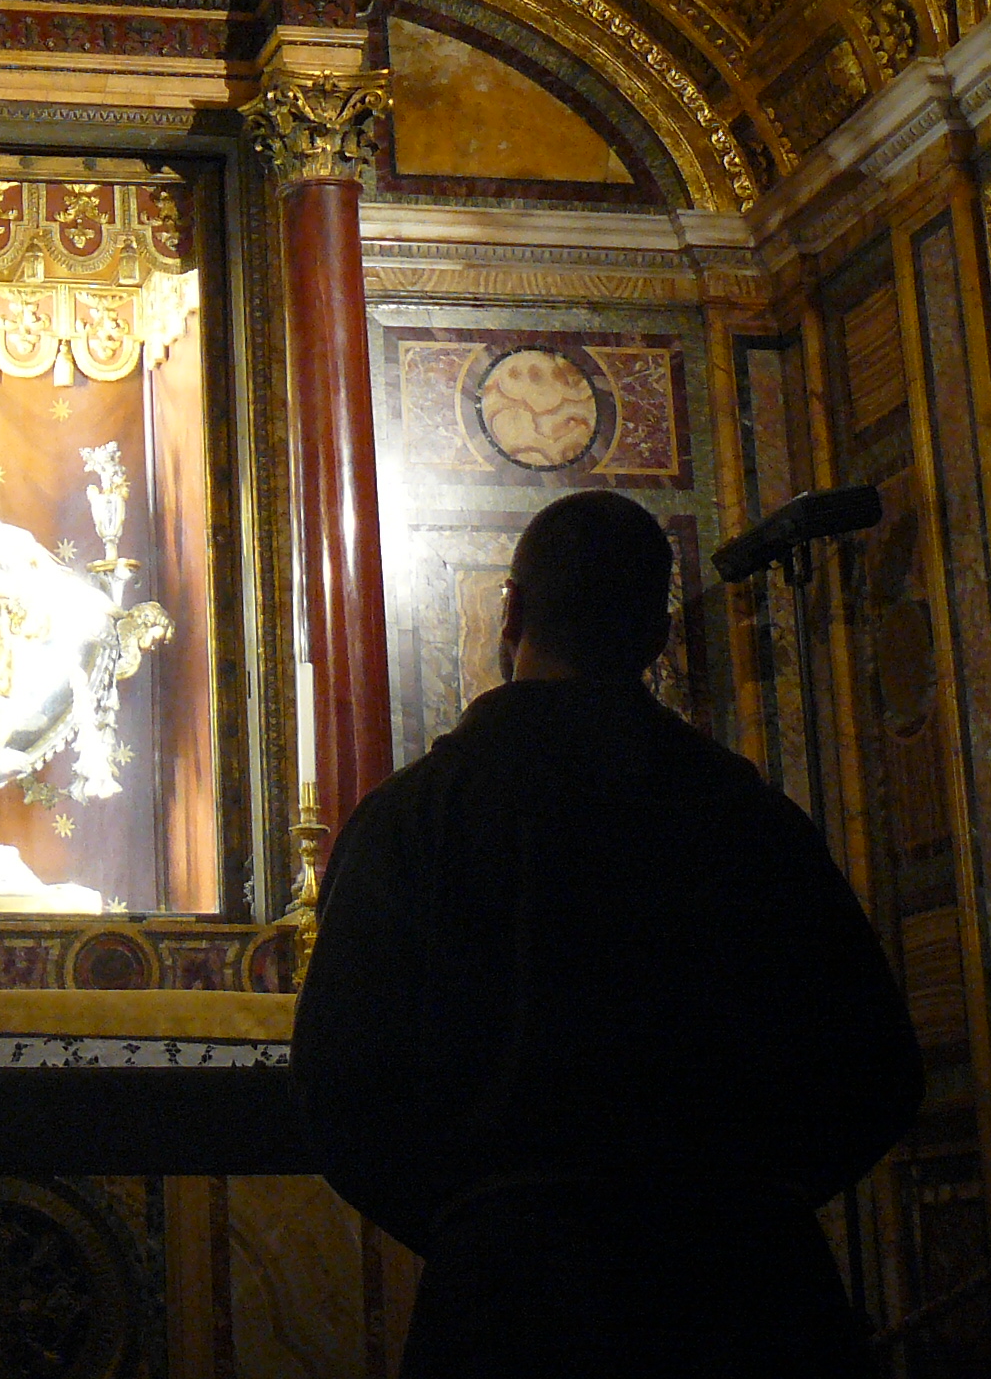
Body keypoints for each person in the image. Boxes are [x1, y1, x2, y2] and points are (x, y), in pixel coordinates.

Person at [290, 488, 922, 1378]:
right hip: (747, 1306)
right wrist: (744, 1208)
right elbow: (876, 1068)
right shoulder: (750, 819)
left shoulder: (414, 819)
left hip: (510, 1312)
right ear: (657, 636)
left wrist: (482, 1227)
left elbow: (340, 1089)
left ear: (510, 612)